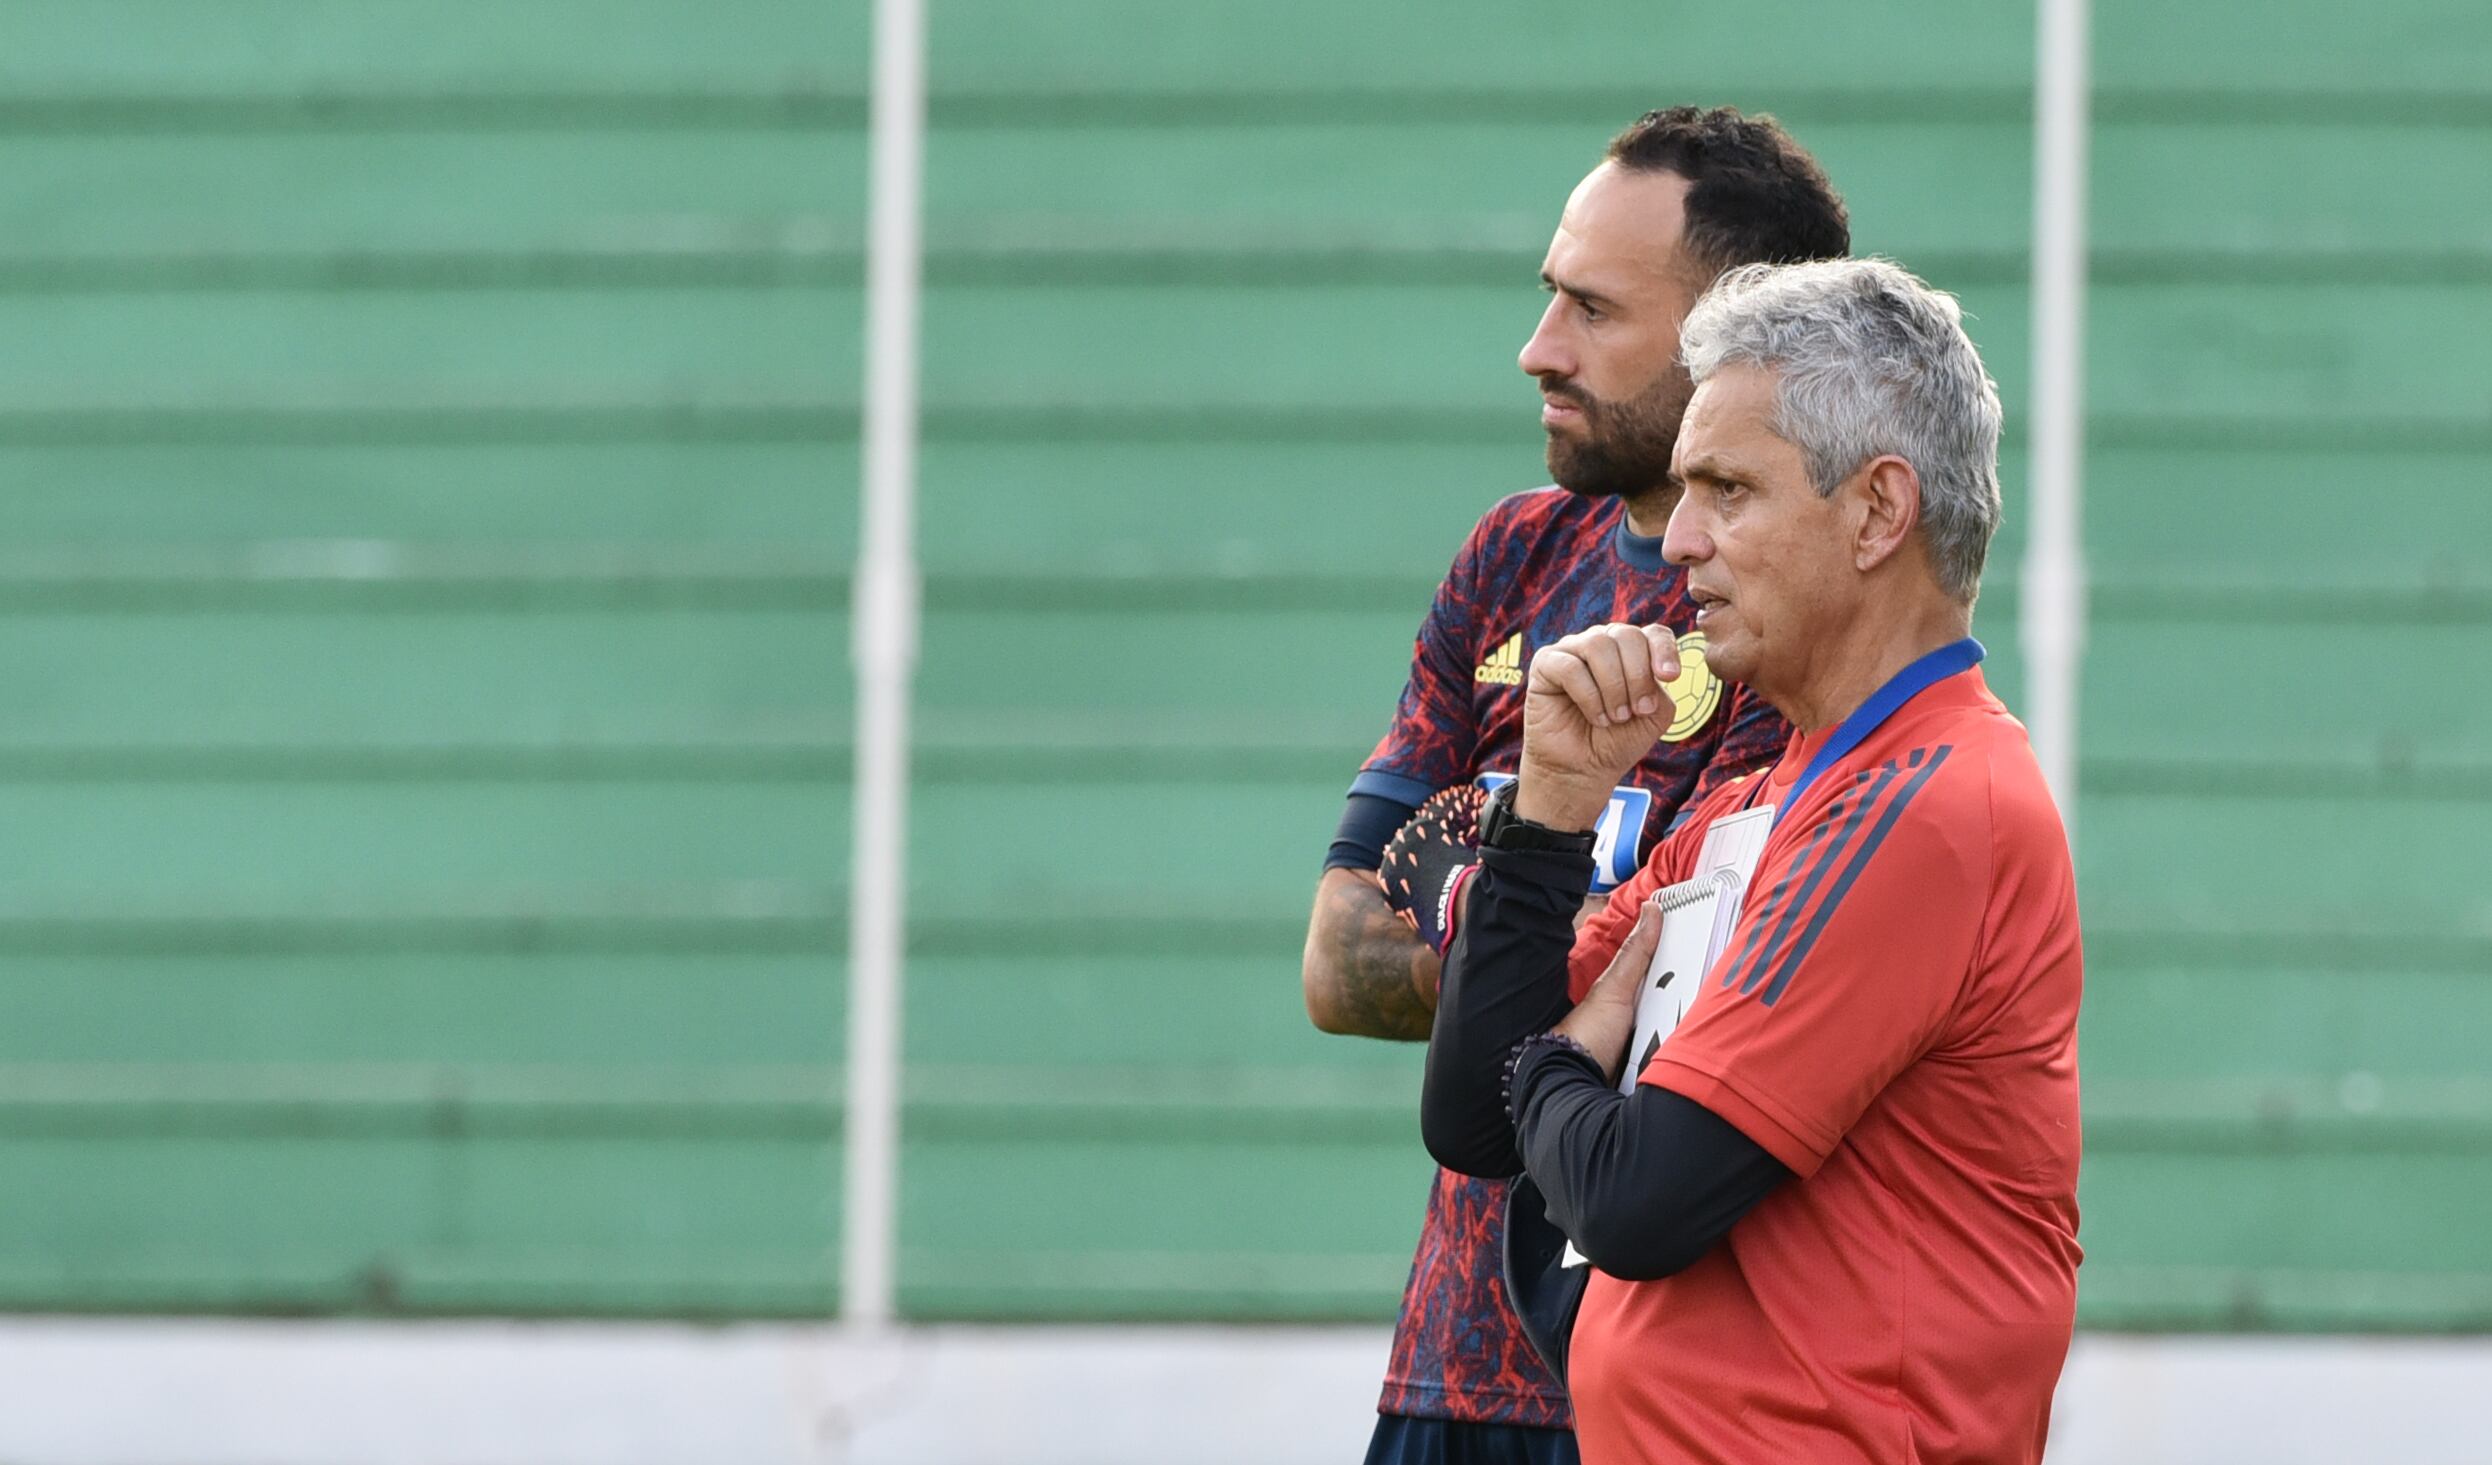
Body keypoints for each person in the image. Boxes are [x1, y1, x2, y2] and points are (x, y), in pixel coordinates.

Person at [1419, 257, 2083, 1465]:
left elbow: (1634, 1196)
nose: (1675, 541)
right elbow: (1471, 1118)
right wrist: (1550, 818)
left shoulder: (1925, 801)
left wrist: (1556, 1063)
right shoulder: (1763, 798)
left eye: (1725, 489)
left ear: (1877, 512)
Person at [1297, 108, 1849, 1464]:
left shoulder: (1803, 611)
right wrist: (1573, 916)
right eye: (1550, 296)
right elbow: (1338, 958)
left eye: (1592, 310)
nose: (1538, 348)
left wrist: (1486, 890)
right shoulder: (1515, 557)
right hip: (1446, 1378)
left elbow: (1709, 988)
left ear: (1734, 336)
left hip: (1675, 1387)